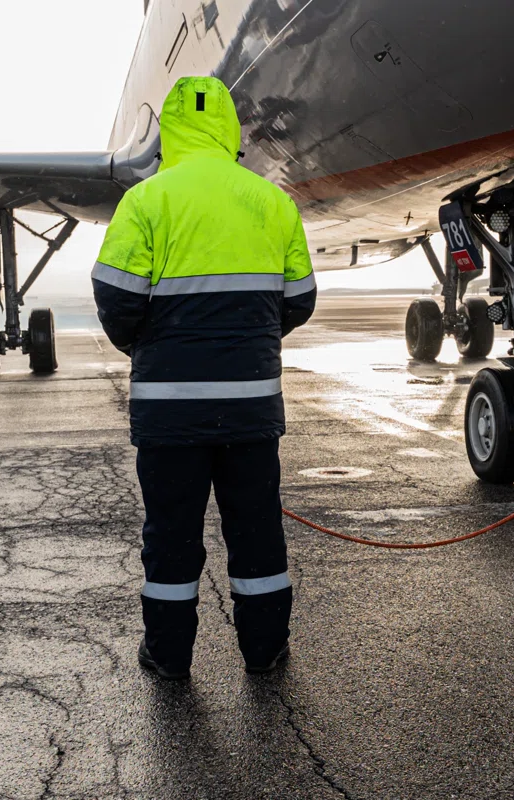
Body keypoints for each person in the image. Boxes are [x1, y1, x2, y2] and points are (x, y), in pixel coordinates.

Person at [91, 76, 316, 680]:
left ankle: (167, 657)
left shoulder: (145, 201)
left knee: (170, 538)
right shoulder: (272, 202)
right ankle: (264, 651)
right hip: (250, 411)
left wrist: (146, 344)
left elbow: (114, 297)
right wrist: (247, 344)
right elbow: (299, 300)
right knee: (257, 534)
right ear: (229, 131)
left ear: (169, 130)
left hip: (169, 414)